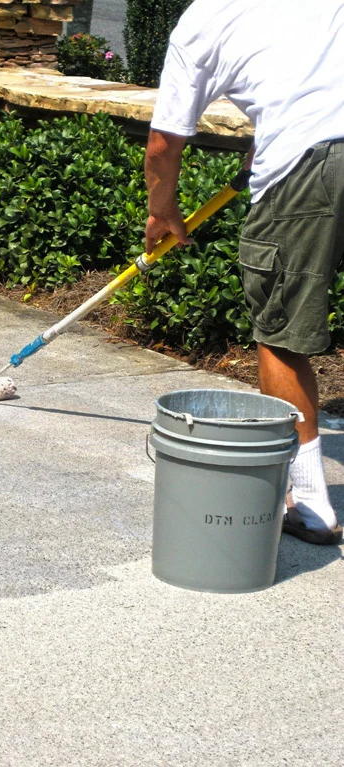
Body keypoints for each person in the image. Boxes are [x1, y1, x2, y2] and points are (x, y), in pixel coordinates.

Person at [145, 0, 343, 544]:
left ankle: (310, 508)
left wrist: (162, 210)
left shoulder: (205, 18)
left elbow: (164, 142)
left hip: (309, 165)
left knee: (280, 335)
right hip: (320, 143)